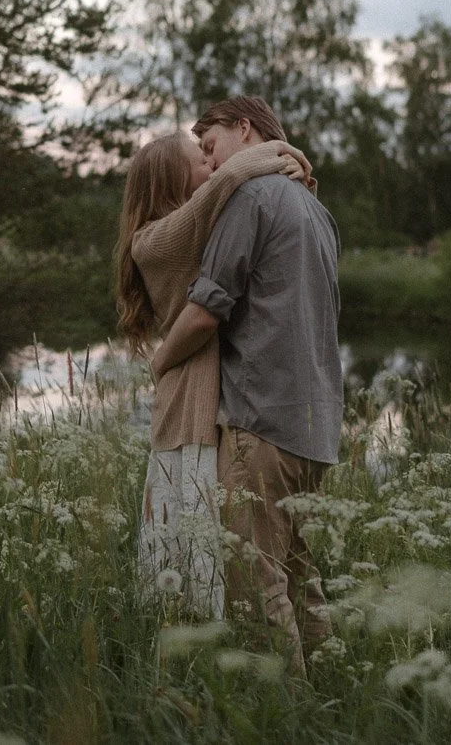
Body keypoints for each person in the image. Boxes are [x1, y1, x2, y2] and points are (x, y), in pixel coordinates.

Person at [151, 96, 343, 676]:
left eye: (211, 148)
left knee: (255, 589)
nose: (210, 166)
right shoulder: (315, 208)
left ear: (244, 129)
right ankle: (328, 705)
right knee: (302, 581)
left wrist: (160, 361)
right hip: (317, 425)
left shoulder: (251, 197)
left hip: (260, 421)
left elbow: (209, 307)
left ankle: (282, 715)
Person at [114, 129, 314, 618]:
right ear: (172, 180)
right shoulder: (160, 239)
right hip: (187, 410)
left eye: (210, 154)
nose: (211, 164)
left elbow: (259, 214)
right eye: (199, 160)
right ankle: (183, 654)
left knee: (220, 557)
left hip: (207, 406)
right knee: (191, 556)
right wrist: (287, 154)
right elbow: (232, 181)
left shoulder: (193, 227)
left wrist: (300, 176)